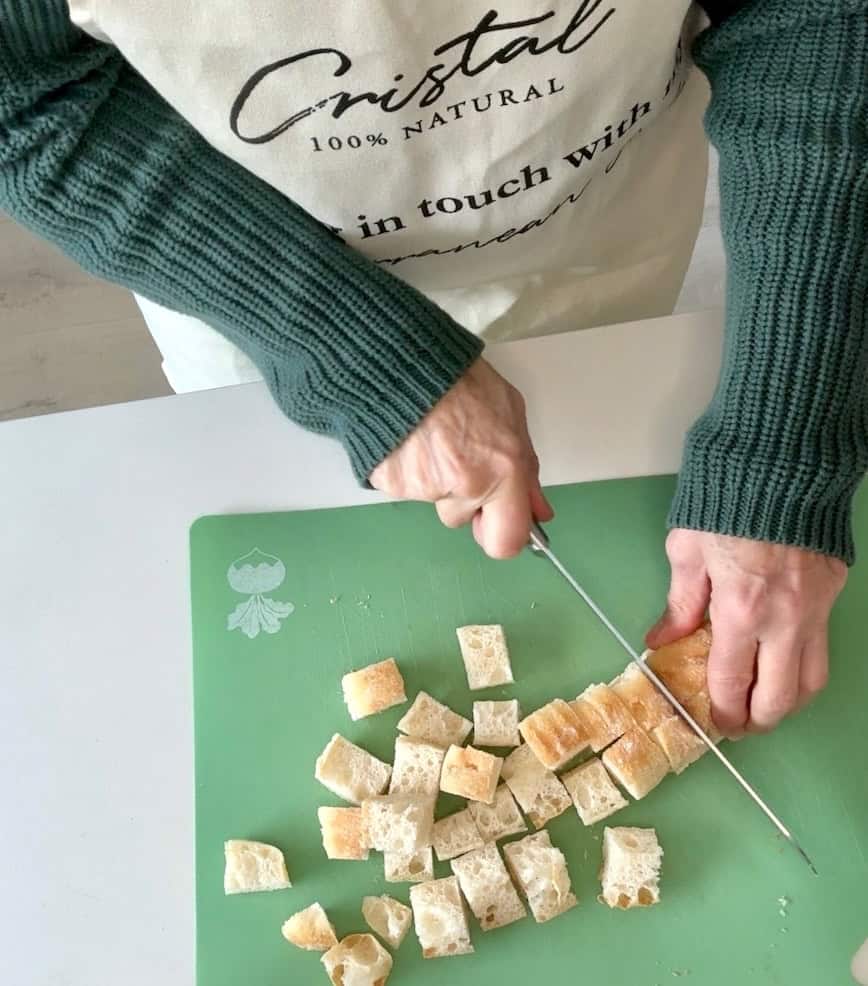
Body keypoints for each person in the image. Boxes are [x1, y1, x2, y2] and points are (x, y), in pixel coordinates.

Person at [1, 0, 865, 739]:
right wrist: (350, 349)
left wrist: (786, 436)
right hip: (241, 274)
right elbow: (23, 98)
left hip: (597, 237)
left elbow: (818, 18)